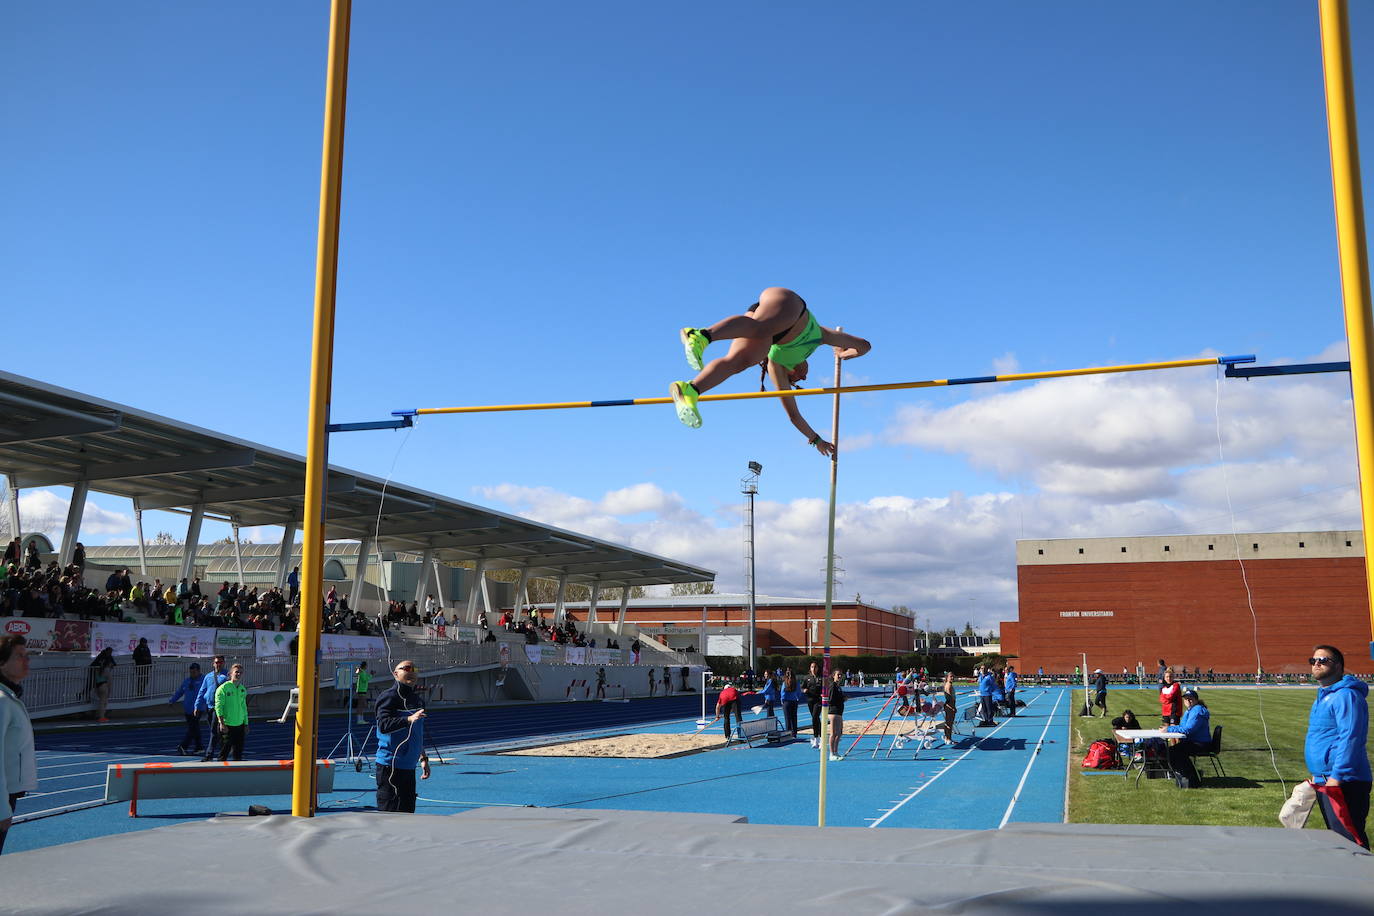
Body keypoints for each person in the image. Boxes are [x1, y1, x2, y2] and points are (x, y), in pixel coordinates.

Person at [670, 287, 871, 450]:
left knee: (738, 362)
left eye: (797, 380)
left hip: (770, 331)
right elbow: (863, 346)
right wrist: (844, 354)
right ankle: (701, 335)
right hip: (787, 304)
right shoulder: (821, 337)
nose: (804, 378)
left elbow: (793, 415)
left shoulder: (776, 366)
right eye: (803, 378)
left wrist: (816, 440)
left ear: (789, 374)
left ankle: (691, 390)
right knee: (760, 327)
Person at [1304, 645, 1370, 848]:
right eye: (1314, 660)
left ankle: (1363, 878)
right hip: (1325, 778)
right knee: (1338, 839)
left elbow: (1351, 738)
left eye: (1324, 660)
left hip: (1344, 781)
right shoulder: (1323, 696)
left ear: (1339, 666)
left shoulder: (1346, 696)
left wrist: (1337, 777)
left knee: (1350, 841)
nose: (1317, 663)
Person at [374, 659, 430, 813]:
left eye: (415, 668)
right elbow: (383, 725)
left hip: (409, 766)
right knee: (390, 815)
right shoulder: (389, 697)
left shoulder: (417, 700)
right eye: (407, 668)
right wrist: (408, 719)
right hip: (390, 766)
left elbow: (416, 733)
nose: (411, 671)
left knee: (407, 815)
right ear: (396, 673)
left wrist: (423, 758)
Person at [0, 635, 35, 854]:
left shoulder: (9, 697)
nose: (26, 661)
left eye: (27, 656)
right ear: (2, 663)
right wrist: (1, 809)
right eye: (19, 656)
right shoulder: (2, 701)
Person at [1163, 689, 1211, 789]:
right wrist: (1171, 729)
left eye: (1191, 699)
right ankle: (1187, 775)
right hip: (1194, 741)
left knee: (1174, 751)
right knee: (1172, 751)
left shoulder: (1197, 710)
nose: (1188, 701)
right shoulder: (1190, 710)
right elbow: (1183, 726)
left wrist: (1169, 729)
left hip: (1200, 743)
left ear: (1196, 700)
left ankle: (1191, 778)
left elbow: (1188, 729)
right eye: (1186, 699)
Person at [196, 656, 230, 761]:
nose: (218, 664)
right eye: (216, 662)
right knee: (217, 731)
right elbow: (202, 691)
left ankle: (209, 754)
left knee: (214, 731)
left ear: (224, 663)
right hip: (209, 707)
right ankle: (224, 751)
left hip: (219, 707)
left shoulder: (227, 676)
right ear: (213, 663)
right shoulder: (208, 676)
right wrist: (197, 706)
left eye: (220, 662)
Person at [214, 664, 249, 762]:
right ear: (230, 673)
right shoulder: (223, 688)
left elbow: (244, 707)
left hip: (240, 725)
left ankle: (237, 774)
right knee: (224, 752)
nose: (238, 674)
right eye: (236, 672)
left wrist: (246, 724)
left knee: (238, 753)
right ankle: (220, 773)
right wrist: (222, 723)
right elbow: (218, 707)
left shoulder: (242, 689)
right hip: (227, 726)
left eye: (240, 672)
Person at [168, 662, 204, 756]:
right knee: (194, 728)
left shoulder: (204, 680)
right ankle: (199, 747)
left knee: (192, 728)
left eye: (194, 672)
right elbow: (180, 691)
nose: (192, 674)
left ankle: (183, 746)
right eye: (191, 672)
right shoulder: (187, 681)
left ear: (199, 671)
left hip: (198, 709)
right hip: (187, 709)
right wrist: (172, 700)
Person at [801, 662, 824, 749]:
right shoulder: (807, 678)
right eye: (812, 667)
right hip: (810, 700)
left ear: (818, 668)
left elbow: (825, 688)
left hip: (818, 700)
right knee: (815, 719)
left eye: (815, 667)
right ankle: (816, 739)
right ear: (810, 668)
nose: (813, 669)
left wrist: (823, 694)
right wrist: (804, 690)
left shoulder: (821, 678)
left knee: (815, 717)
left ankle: (821, 739)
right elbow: (802, 687)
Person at [89, 647, 115, 722]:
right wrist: (109, 691)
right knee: (103, 702)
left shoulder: (98, 670)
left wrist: (95, 688)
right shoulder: (107, 671)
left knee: (101, 701)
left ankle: (100, 715)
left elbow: (95, 680)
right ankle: (101, 717)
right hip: (104, 686)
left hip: (98, 686)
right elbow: (109, 681)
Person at [826, 668, 847, 761]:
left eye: (840, 675)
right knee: (833, 733)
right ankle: (831, 753)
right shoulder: (832, 686)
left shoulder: (838, 686)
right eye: (837, 674)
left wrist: (843, 698)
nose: (839, 676)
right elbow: (830, 699)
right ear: (833, 675)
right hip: (833, 712)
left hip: (839, 712)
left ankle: (835, 751)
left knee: (839, 733)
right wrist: (841, 699)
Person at [780, 669, 801, 737]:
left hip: (786, 702)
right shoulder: (796, 683)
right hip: (794, 701)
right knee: (794, 718)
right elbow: (799, 692)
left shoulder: (784, 683)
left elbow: (783, 692)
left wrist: (782, 700)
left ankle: (788, 733)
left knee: (787, 718)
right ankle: (794, 733)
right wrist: (797, 698)